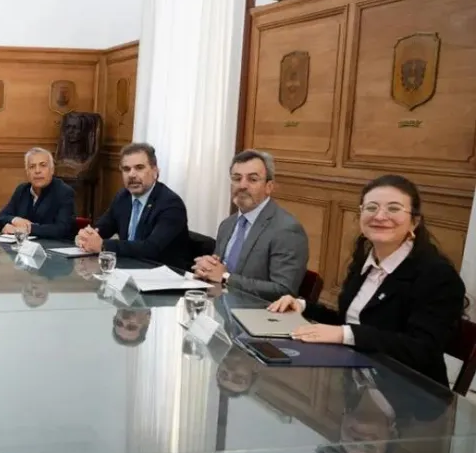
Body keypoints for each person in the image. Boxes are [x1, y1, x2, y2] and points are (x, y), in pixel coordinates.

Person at [268, 174, 466, 386]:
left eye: (394, 208)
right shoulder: (366, 260)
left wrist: (344, 334)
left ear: (414, 221)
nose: (380, 216)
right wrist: (302, 306)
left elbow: (422, 349)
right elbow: (353, 321)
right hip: (358, 382)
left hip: (411, 396)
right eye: (371, 208)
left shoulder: (437, 275)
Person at [193, 150, 309, 301]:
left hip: (261, 316)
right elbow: (219, 273)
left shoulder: (287, 230)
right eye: (236, 178)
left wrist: (226, 277)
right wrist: (207, 269)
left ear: (269, 186)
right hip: (221, 308)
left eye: (253, 179)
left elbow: (284, 290)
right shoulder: (227, 224)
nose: (242, 185)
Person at [75, 143, 190, 269]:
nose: (132, 175)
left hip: (162, 276)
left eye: (139, 168)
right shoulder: (123, 197)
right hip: (127, 270)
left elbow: (151, 249)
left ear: (155, 171)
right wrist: (88, 235)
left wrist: (103, 246)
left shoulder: (171, 204)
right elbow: (103, 227)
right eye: (126, 169)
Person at [0, 147, 75, 240]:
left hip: (53, 249)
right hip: (23, 249)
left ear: (52, 170)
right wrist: (14, 220)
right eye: (32, 167)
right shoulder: (22, 190)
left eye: (43, 165)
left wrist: (27, 228)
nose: (37, 171)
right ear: (27, 172)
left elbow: (62, 229)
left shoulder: (64, 192)